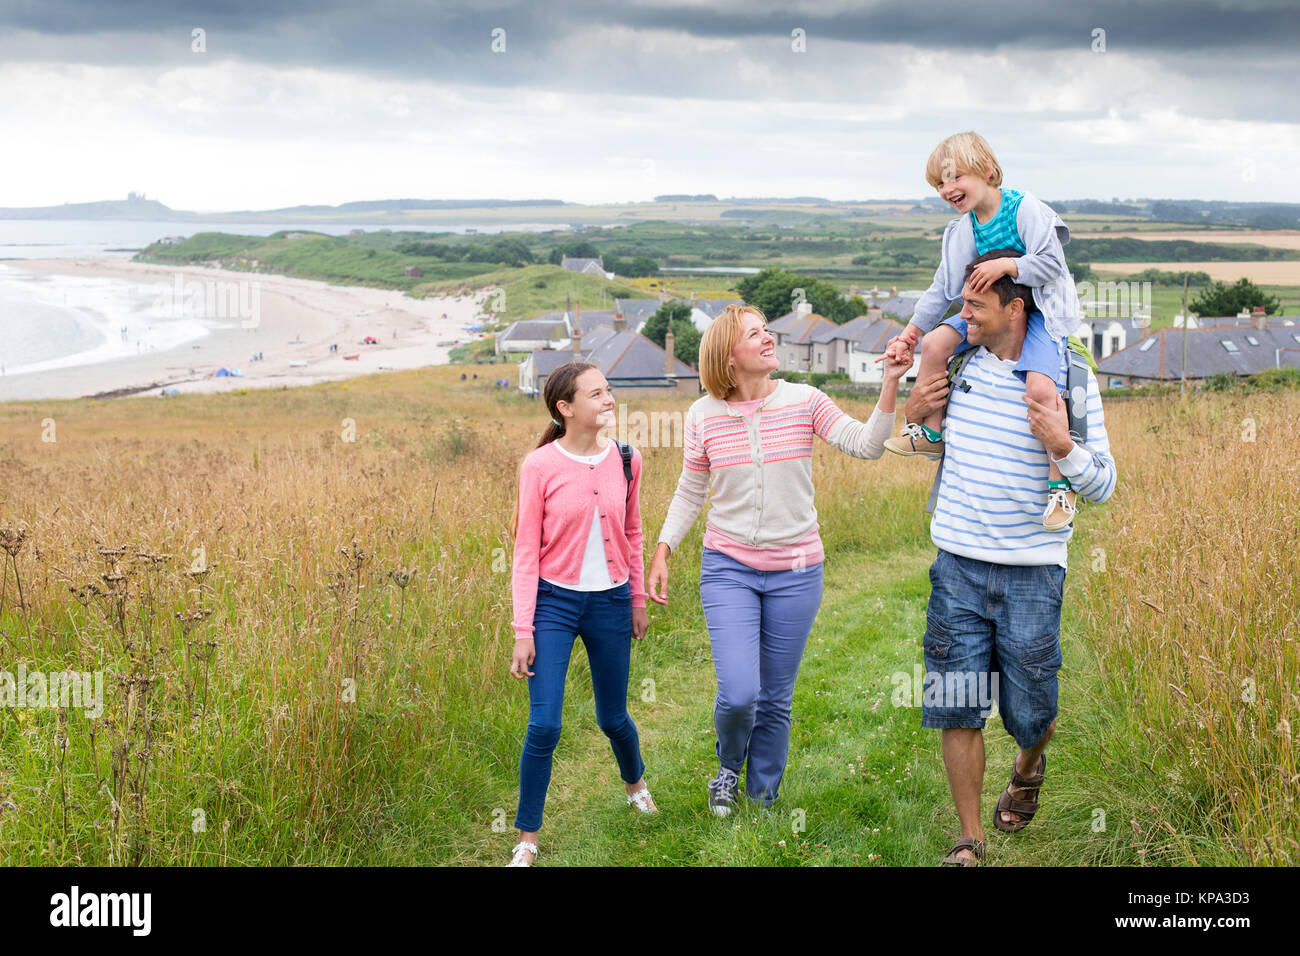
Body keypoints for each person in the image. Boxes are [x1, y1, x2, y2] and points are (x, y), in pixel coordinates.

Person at [648, 305, 911, 816]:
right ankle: (728, 765)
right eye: (755, 334)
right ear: (728, 357)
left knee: (775, 698)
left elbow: (867, 446)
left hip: (797, 571)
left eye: (767, 331)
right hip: (728, 568)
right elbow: (690, 490)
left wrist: (890, 384)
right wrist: (663, 549)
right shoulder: (702, 414)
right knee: (740, 692)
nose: (769, 339)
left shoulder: (805, 401)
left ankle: (762, 795)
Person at [906, 253, 1116, 866]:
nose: (961, 314)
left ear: (1015, 308)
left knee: (1033, 711)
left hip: (1033, 571)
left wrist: (1062, 446)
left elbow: (1102, 484)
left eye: (974, 305)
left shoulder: (1069, 377)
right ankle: (969, 840)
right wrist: (919, 416)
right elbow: (926, 443)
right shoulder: (961, 361)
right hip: (957, 566)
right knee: (958, 702)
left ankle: (1028, 763)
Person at [882, 131, 1084, 531]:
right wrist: (910, 332)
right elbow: (943, 290)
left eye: (955, 177)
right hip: (989, 309)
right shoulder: (962, 230)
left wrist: (1008, 266)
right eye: (939, 183)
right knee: (937, 341)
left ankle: (1060, 485)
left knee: (1041, 389)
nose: (947, 189)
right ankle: (930, 432)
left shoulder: (1024, 210)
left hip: (1040, 310)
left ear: (988, 171)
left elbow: (1052, 265)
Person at [507, 361, 654, 867]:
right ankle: (527, 838)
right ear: (565, 408)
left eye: (608, 390)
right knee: (544, 725)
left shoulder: (629, 459)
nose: (608, 400)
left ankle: (635, 785)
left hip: (612, 602)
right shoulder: (540, 465)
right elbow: (526, 549)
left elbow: (633, 534)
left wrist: (636, 599)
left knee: (612, 716)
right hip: (554, 604)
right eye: (596, 394)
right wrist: (522, 628)